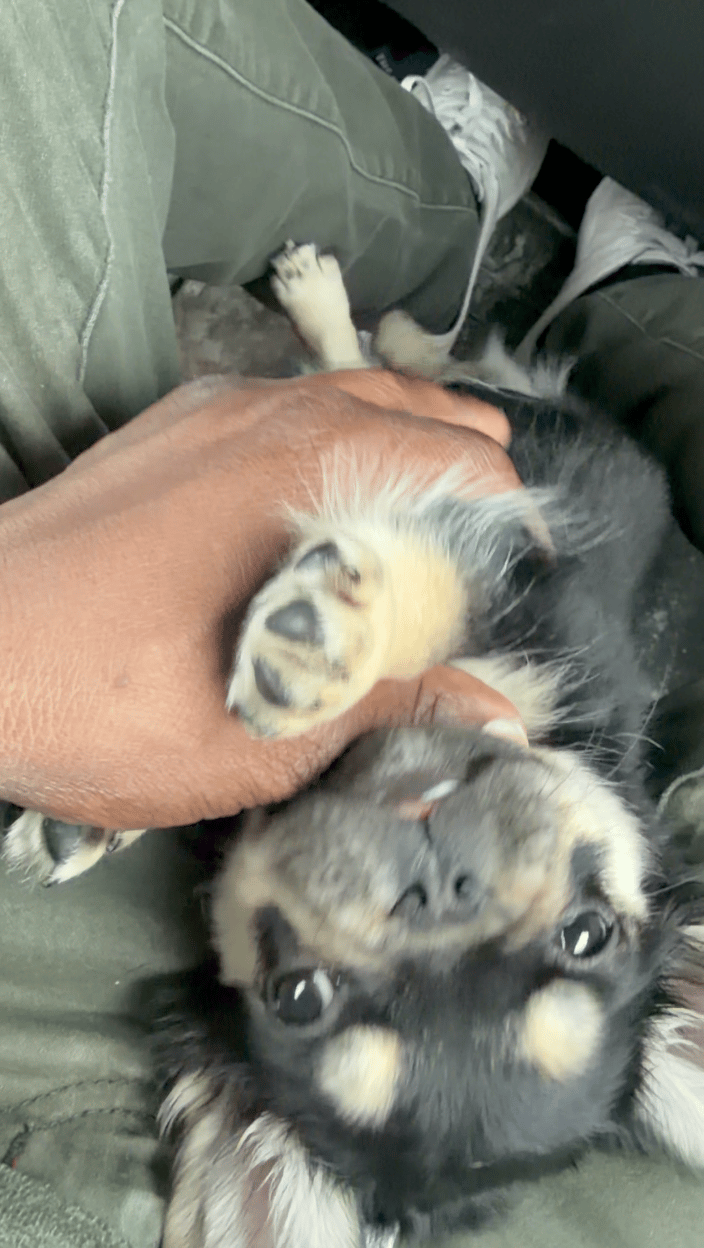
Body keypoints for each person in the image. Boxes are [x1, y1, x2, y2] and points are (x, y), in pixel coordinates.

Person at [0, 2, 703, 1247]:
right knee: (527, 393)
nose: (442, 898)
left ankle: (565, 266)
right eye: (579, 935)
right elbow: (483, 564)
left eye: (310, 996)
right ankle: (581, 276)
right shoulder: (578, 694)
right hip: (535, 449)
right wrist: (378, 624)